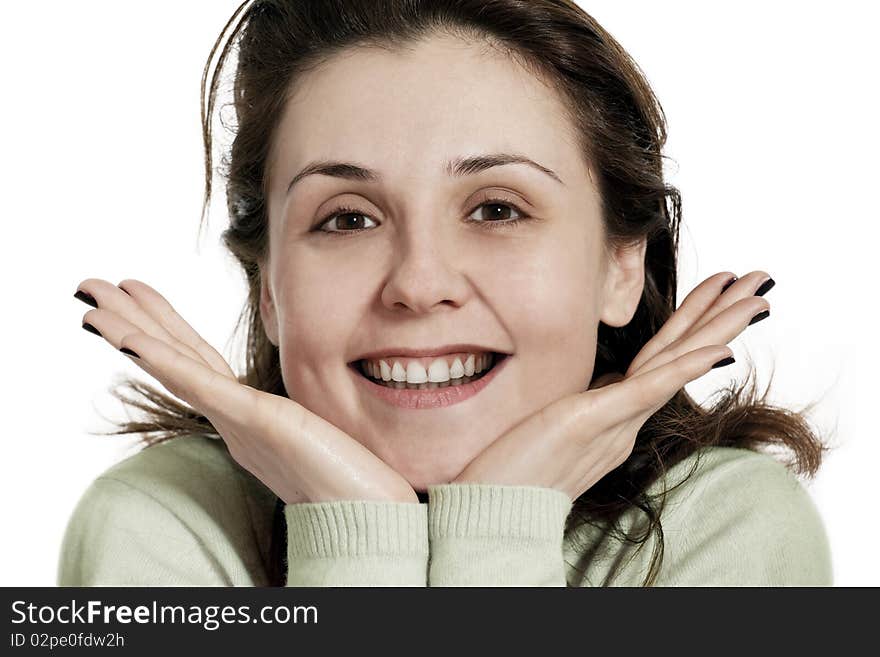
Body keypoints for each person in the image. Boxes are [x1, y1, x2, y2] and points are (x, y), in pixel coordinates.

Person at [58, 0, 832, 587]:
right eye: (348, 218)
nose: (420, 285)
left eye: (497, 209)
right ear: (268, 286)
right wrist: (357, 530)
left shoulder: (732, 527)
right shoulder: (159, 524)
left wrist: (496, 527)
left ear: (619, 266)